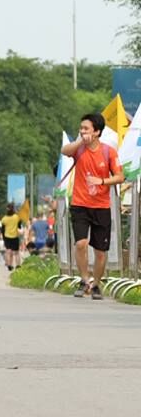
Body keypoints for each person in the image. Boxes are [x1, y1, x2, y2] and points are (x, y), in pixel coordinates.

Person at [60, 113, 124, 299]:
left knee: (101, 252)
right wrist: (80, 141)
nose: (82, 131)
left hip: (101, 206)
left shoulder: (108, 152)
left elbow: (120, 177)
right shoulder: (79, 149)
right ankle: (84, 280)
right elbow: (65, 151)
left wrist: (102, 181)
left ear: (97, 132)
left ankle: (96, 284)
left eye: (86, 129)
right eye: (81, 128)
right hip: (80, 204)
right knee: (81, 244)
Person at [0, 203, 22, 271]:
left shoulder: (4, 219)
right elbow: (19, 225)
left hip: (7, 236)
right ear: (13, 209)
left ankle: (9, 265)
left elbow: (2, 229)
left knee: (8, 251)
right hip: (15, 236)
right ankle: (18, 265)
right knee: (17, 252)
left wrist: (3, 238)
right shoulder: (17, 217)